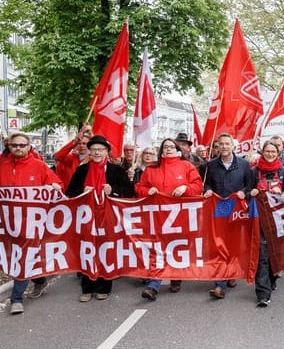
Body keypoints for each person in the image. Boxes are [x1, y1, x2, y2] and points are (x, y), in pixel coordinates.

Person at [66, 135, 134, 302]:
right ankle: (87, 287)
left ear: (106, 152)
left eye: (101, 149)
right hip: (87, 218)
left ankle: (104, 286)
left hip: (109, 218)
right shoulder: (82, 170)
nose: (97, 152)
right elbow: (70, 192)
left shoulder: (116, 170)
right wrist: (83, 190)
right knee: (88, 251)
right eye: (94, 149)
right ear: (90, 151)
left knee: (106, 251)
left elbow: (130, 193)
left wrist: (114, 190)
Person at [1, 133, 63, 315]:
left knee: (23, 257)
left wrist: (55, 187)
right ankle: (40, 279)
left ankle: (16, 299)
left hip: (30, 224)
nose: (18, 148)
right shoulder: (1, 165)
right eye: (14, 145)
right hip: (7, 223)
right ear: (9, 146)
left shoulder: (39, 166)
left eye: (22, 145)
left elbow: (57, 183)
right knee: (15, 257)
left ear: (29, 147)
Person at [136, 138, 203, 301]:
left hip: (180, 218)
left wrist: (185, 188)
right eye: (165, 147)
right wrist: (147, 190)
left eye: (172, 147)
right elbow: (139, 187)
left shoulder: (186, 166)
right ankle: (153, 285)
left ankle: (176, 277)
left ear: (177, 150)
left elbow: (198, 186)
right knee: (158, 249)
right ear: (161, 150)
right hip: (157, 217)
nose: (168, 149)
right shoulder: (152, 168)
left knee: (176, 248)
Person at [203, 133, 253, 299]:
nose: (224, 147)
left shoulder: (244, 165)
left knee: (234, 245)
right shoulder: (210, 165)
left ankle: (231, 273)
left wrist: (243, 193)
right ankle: (220, 284)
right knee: (220, 245)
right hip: (219, 208)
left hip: (237, 209)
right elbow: (206, 184)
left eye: (227, 144)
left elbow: (250, 185)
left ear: (233, 146)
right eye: (221, 144)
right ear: (217, 147)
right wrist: (207, 190)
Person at [250, 141, 284, 307]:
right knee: (262, 255)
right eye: (267, 151)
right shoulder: (253, 172)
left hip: (277, 220)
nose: (270, 154)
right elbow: (245, 192)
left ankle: (272, 278)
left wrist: (280, 193)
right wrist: (250, 192)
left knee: (275, 252)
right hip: (259, 219)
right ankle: (262, 293)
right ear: (262, 152)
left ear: (278, 153)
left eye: (273, 151)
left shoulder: (283, 172)